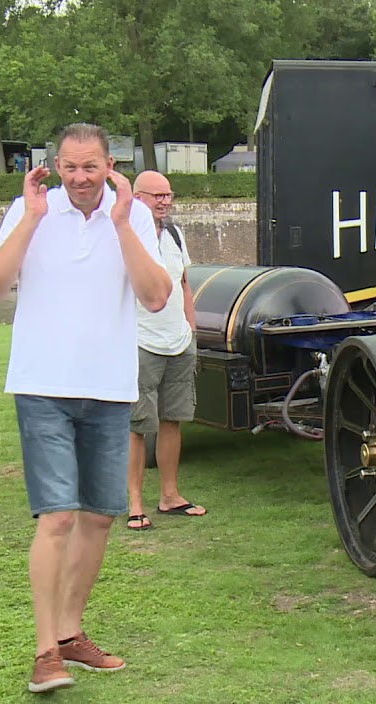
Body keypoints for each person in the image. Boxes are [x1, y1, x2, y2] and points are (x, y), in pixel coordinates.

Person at [0, 123, 172, 693]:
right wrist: (33, 218)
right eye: (70, 167)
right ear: (54, 166)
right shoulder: (29, 210)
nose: (81, 178)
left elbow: (155, 295)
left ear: (111, 165)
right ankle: (44, 654)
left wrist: (122, 223)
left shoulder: (130, 214)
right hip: (43, 384)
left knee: (97, 517)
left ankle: (70, 634)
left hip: (109, 386)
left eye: (91, 167)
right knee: (57, 515)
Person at [125, 170, 205, 531]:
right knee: (138, 426)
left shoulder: (174, 234)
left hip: (178, 342)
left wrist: (190, 329)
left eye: (168, 195)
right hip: (140, 342)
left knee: (173, 419)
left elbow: (184, 283)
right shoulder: (124, 237)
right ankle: (135, 504)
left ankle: (170, 496)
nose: (165, 201)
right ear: (137, 198)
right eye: (157, 195)